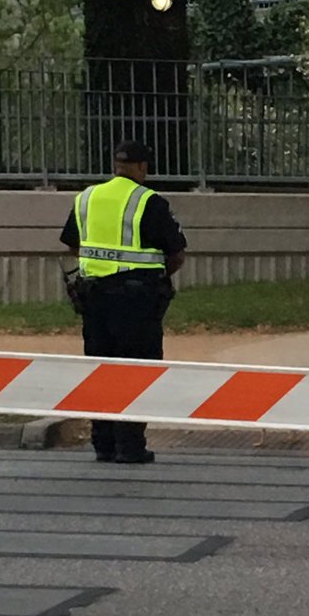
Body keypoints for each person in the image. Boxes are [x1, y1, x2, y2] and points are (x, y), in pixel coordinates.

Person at [59, 139, 187, 464]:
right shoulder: (149, 201)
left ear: (116, 166)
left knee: (100, 369)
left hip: (94, 297)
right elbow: (176, 255)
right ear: (143, 168)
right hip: (136, 300)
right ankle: (130, 447)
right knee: (135, 370)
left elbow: (74, 246)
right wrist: (154, 274)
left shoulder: (87, 198)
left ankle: (103, 444)